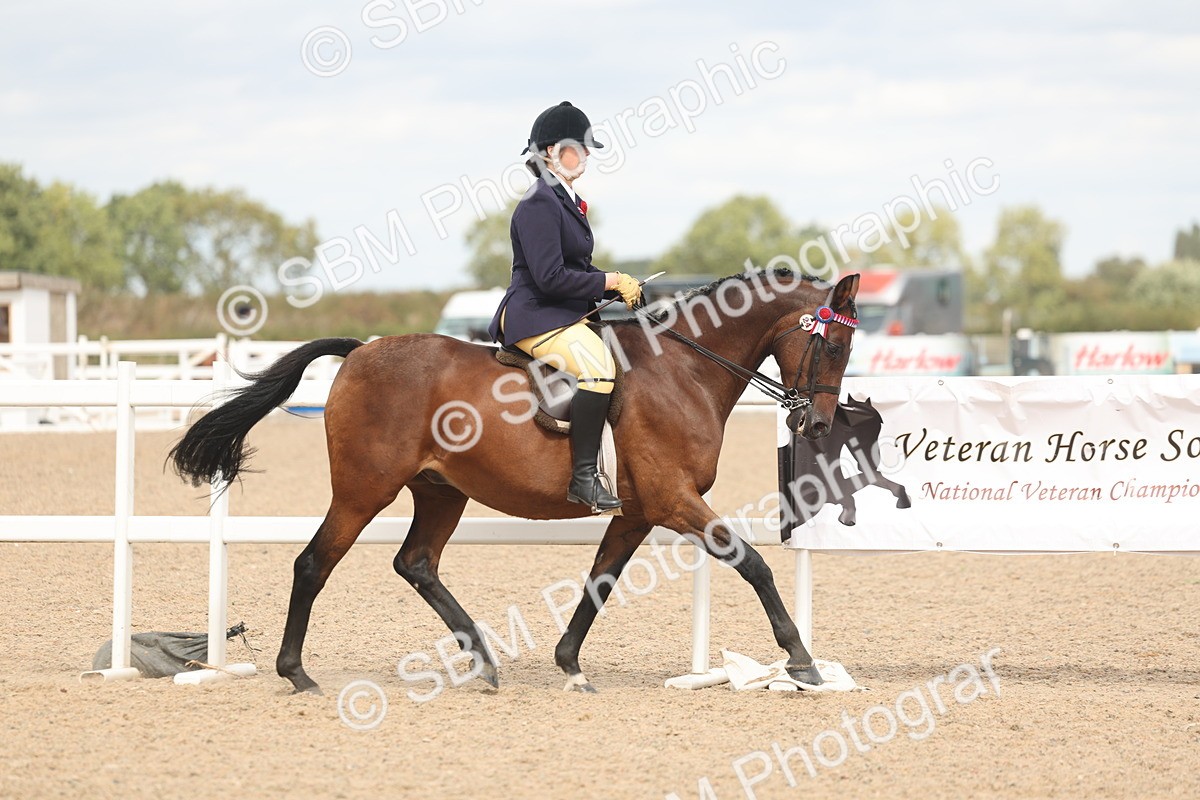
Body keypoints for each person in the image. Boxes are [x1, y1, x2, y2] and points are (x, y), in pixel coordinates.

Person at [487, 101, 642, 513]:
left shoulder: (566, 201)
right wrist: (607, 280)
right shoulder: (540, 202)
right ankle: (584, 478)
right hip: (535, 313)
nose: (588, 155)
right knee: (598, 369)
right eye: (582, 147)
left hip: (559, 312)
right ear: (553, 151)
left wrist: (615, 288)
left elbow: (577, 270)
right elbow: (549, 277)